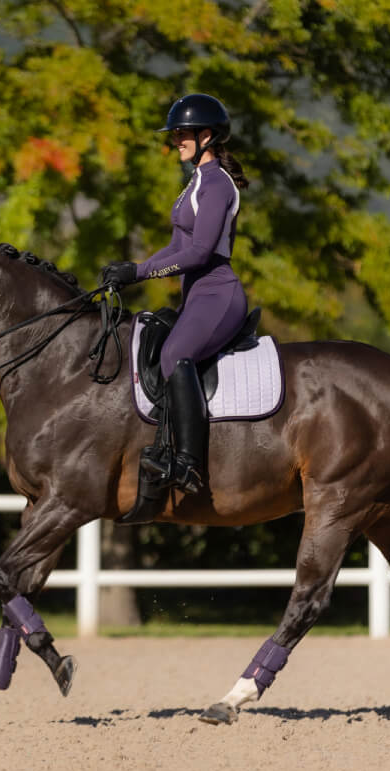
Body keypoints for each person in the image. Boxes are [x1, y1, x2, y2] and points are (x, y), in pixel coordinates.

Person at [102, 93, 249, 495]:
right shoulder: (193, 185)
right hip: (196, 297)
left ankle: (188, 464)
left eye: (183, 134)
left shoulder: (216, 184)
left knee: (173, 354)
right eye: (175, 134)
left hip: (218, 295)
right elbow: (173, 249)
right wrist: (131, 271)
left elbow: (200, 252)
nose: (176, 140)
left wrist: (140, 271)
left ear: (207, 135)